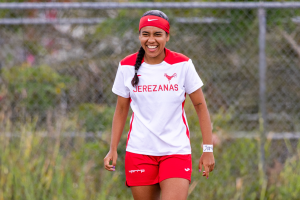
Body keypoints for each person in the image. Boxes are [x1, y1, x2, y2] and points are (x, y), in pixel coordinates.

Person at [104, 10, 215, 200]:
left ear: (167, 36)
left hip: (175, 152)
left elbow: (200, 106)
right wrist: (112, 148)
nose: (151, 40)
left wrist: (208, 150)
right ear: (139, 36)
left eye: (157, 34)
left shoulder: (183, 64)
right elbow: (121, 109)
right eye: (145, 34)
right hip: (139, 153)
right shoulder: (126, 66)